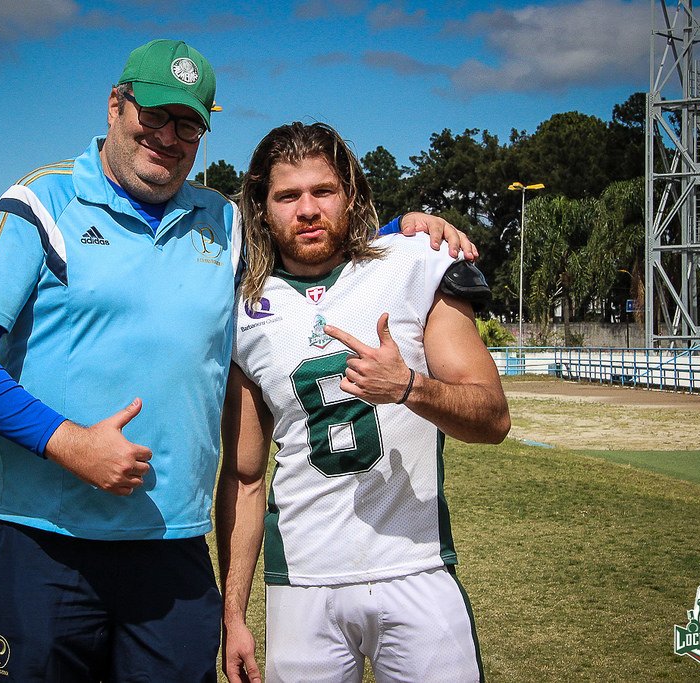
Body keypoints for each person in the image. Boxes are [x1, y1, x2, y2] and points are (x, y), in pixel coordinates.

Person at [0, 39, 474, 681]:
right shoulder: (38, 204)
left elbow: (310, 241)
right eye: (152, 115)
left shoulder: (223, 222)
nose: (168, 137)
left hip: (172, 548)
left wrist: (410, 229)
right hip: (44, 540)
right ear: (115, 106)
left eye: (188, 124)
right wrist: (65, 442)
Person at [217, 122, 510, 683]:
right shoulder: (243, 311)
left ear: (350, 194)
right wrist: (233, 614)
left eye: (322, 191)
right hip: (301, 583)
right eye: (288, 196)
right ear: (263, 206)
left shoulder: (415, 263)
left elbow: (492, 417)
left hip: (416, 566)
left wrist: (408, 388)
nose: (307, 209)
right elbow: (246, 479)